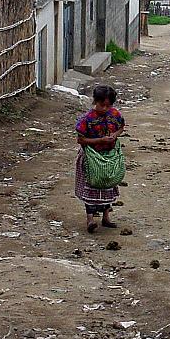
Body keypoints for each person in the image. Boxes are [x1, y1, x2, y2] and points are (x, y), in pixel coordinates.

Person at [75, 85, 125, 233]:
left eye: (107, 105)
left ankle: (106, 217)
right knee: (91, 186)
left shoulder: (115, 114)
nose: (104, 108)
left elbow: (121, 127)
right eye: (101, 105)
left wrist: (114, 135)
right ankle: (90, 220)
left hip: (109, 158)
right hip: (92, 159)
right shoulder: (86, 119)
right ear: (95, 101)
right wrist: (99, 140)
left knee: (108, 185)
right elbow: (81, 140)